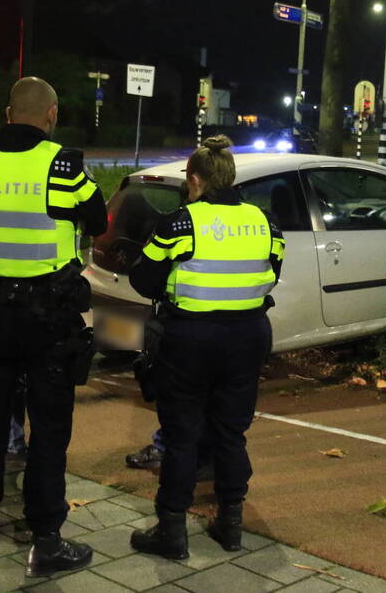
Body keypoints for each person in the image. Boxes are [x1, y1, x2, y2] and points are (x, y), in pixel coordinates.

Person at [0, 77, 107, 575]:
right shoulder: (60, 164)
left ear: (7, 111)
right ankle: (45, 540)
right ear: (52, 113)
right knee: (49, 432)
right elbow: (98, 219)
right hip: (47, 322)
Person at [127, 135, 285, 560]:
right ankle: (230, 524)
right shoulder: (265, 222)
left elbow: (143, 280)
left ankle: (172, 531)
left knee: (182, 436)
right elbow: (274, 273)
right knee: (231, 432)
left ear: (194, 179)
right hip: (248, 336)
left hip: (190, 340)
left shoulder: (181, 222)